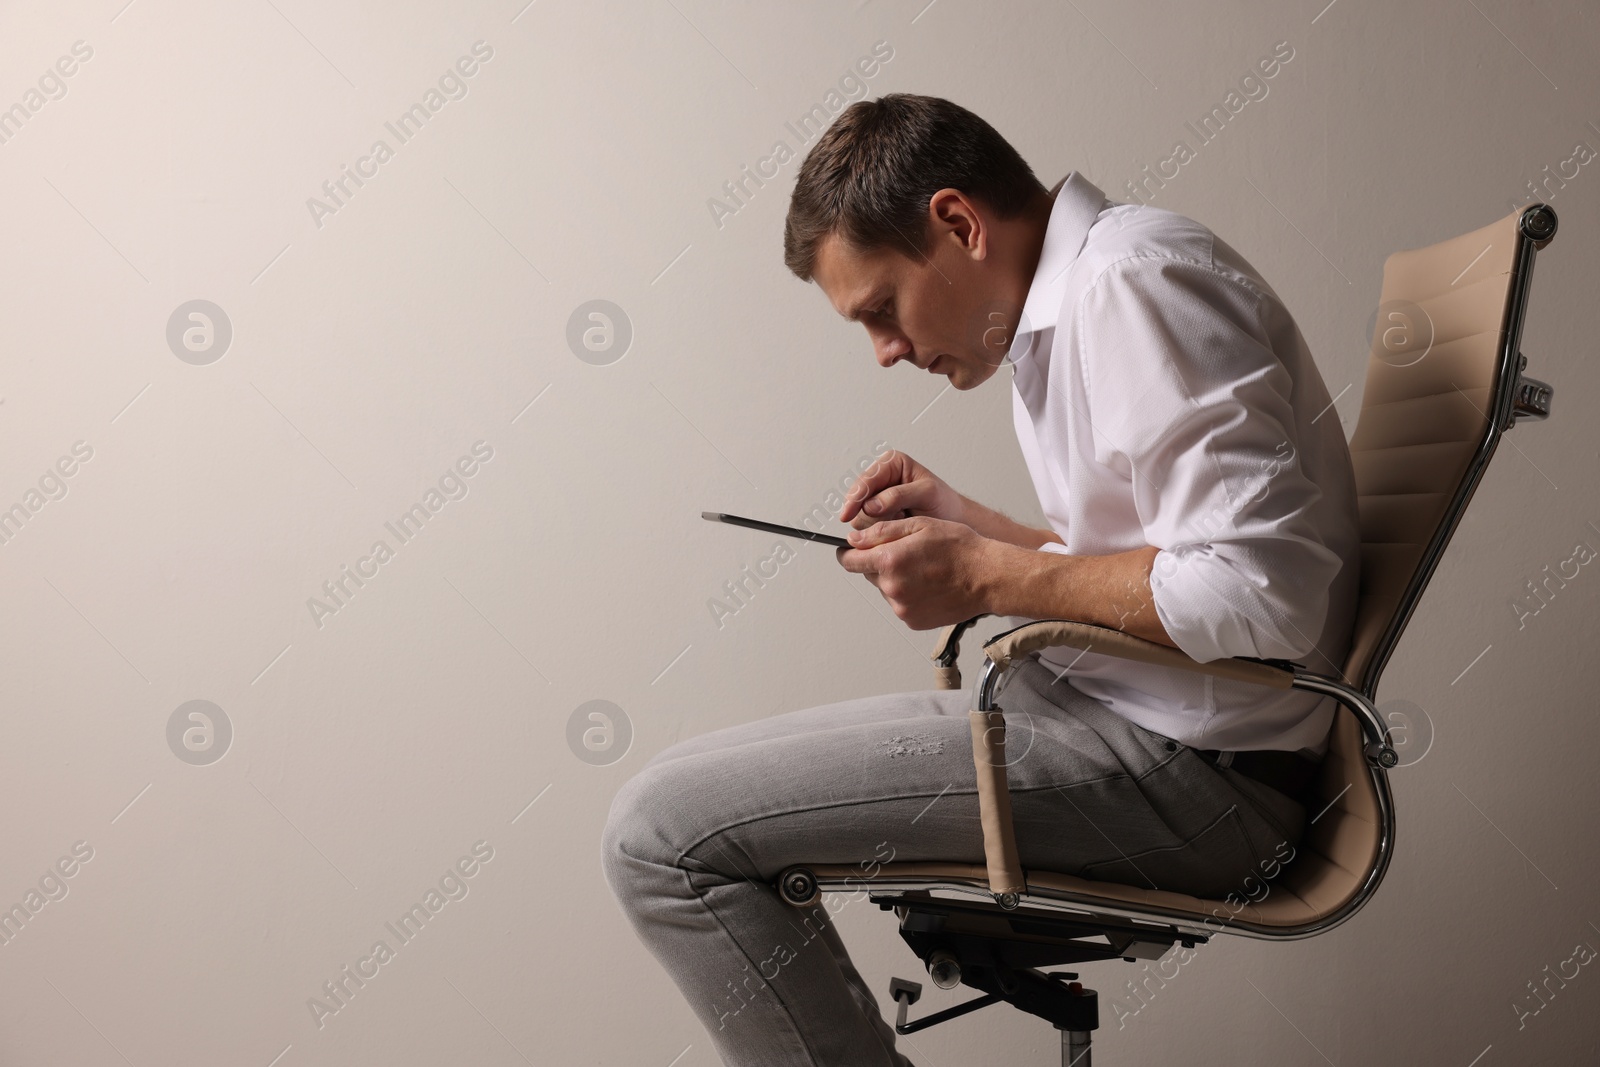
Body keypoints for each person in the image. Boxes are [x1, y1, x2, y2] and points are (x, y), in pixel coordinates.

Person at [602, 92, 1359, 1067]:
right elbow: (1169, 561)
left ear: (957, 223)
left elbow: (1261, 593)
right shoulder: (1081, 301)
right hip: (1128, 727)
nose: (885, 351)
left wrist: (984, 572)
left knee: (658, 834)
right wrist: (975, 531)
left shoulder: (1133, 281)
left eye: (881, 309)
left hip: (1190, 778)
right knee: (663, 811)